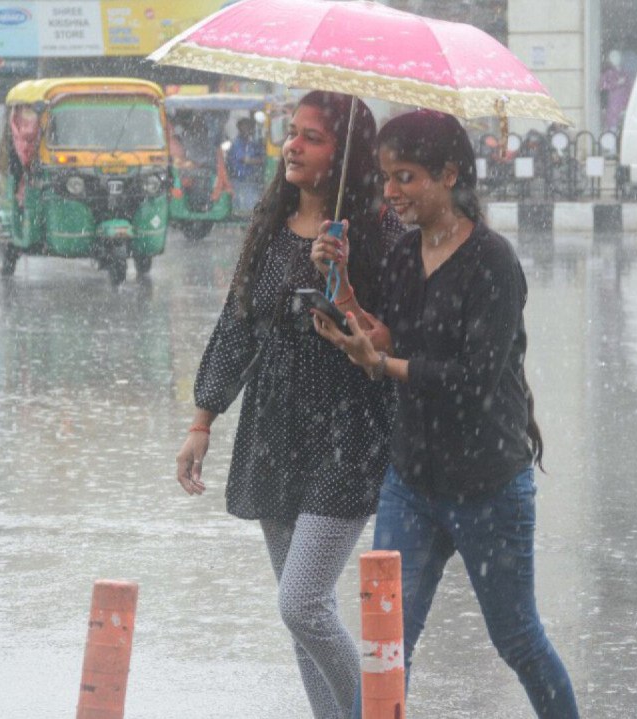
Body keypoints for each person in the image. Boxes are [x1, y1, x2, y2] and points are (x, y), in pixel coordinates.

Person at [310, 110, 580, 718]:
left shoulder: (493, 264)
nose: (392, 193)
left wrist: (381, 367)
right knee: (386, 646)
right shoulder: (406, 253)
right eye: (386, 178)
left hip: (488, 482)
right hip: (411, 480)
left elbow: (469, 376)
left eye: (405, 177)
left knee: (517, 639)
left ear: (449, 175)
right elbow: (389, 337)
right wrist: (341, 284)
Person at [174, 91, 403, 719]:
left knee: (301, 602)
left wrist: (344, 283)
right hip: (274, 430)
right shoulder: (271, 227)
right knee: (302, 615)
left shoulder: (378, 233)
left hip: (348, 433)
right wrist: (203, 420)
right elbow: (237, 328)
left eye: (312, 137)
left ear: (344, 155)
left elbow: (391, 340)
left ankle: (379, 711)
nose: (292, 147)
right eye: (291, 133)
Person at [226, 116, 266, 215]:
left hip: (251, 180)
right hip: (239, 181)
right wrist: (260, 160)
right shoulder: (236, 143)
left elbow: (263, 154)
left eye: (249, 127)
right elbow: (245, 159)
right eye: (245, 126)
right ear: (240, 128)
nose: (247, 129)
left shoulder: (252, 143)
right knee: (246, 208)